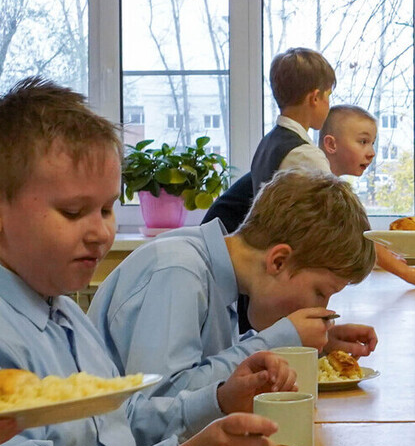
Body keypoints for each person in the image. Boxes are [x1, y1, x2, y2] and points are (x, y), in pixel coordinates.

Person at [0, 78, 293, 446]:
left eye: (106, 209)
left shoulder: (62, 310)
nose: (101, 231)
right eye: (74, 212)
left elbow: (120, 425)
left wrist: (219, 400)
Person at [89, 168, 378, 398]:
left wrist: (319, 344)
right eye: (321, 292)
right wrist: (280, 340)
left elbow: (209, 368)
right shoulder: (178, 271)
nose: (323, 308)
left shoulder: (220, 279)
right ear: (278, 261)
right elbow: (161, 403)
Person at [202, 46, 336, 234]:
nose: (329, 104)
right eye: (328, 96)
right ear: (314, 98)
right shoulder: (305, 155)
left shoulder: (268, 142)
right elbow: (338, 218)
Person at [318, 104, 415, 288]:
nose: (372, 152)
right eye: (363, 142)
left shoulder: (334, 186)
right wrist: (410, 274)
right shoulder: (321, 188)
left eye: (372, 143)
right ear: (331, 144)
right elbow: (361, 236)